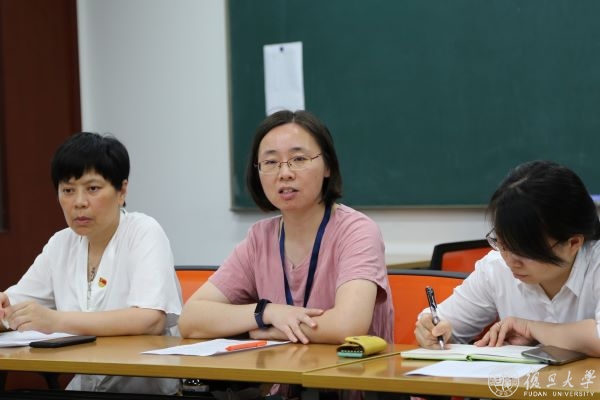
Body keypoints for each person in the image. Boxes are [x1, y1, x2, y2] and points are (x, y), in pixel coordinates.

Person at [179, 109, 393, 346]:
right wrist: (267, 313)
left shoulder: (357, 231)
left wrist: (272, 331)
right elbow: (190, 319)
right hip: (282, 368)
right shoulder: (260, 238)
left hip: (349, 368)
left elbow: (348, 326)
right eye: (270, 162)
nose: (285, 173)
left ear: (328, 166)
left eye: (299, 159)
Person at [0, 132, 182, 394]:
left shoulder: (143, 231)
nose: (79, 202)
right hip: (85, 388)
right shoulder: (61, 243)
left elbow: (150, 319)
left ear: (122, 191)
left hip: (145, 389)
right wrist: (5, 311)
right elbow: (16, 304)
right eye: (68, 190)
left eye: (93, 189)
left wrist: (55, 321)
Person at [415, 160, 600, 357]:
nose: (511, 260)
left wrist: (531, 328)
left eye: (525, 250)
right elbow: (445, 323)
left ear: (573, 243)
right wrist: (432, 331)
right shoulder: (496, 267)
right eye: (503, 244)